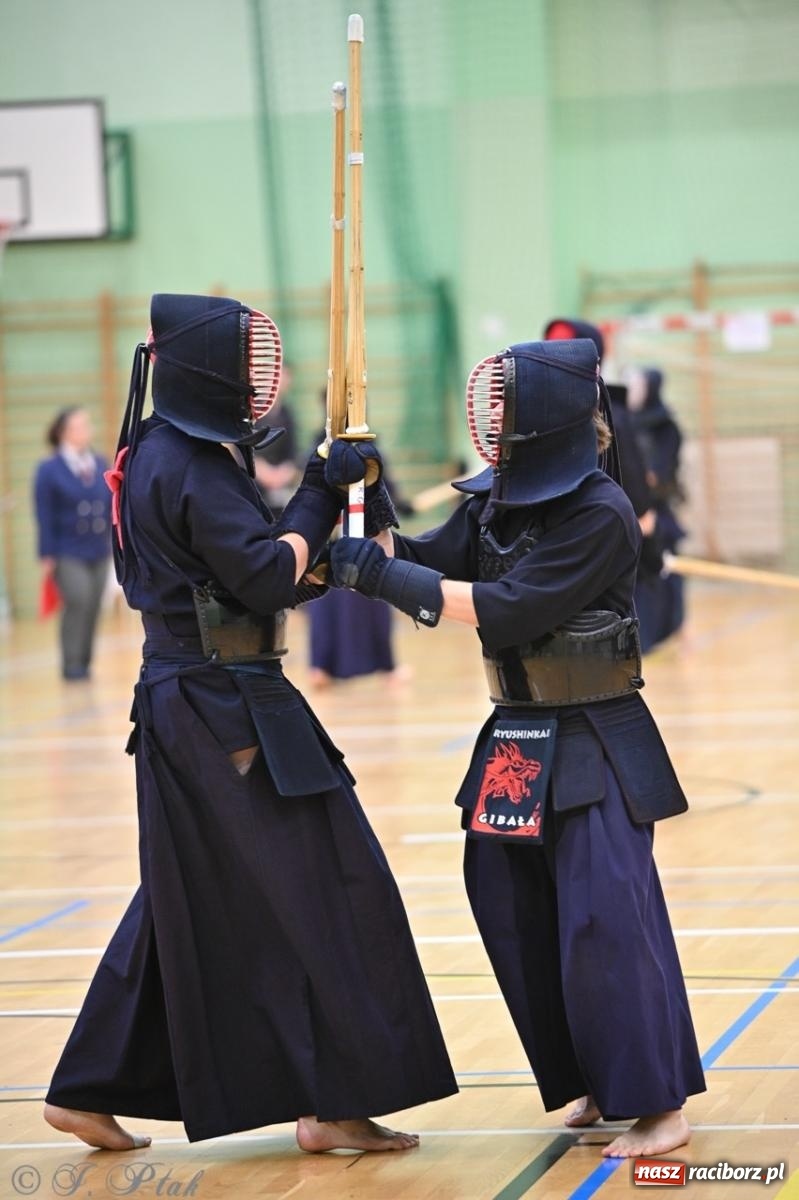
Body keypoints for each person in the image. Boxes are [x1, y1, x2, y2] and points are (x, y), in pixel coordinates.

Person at [43, 294, 457, 1154]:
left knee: (187, 889)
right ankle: (337, 1103)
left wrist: (330, 520)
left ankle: (89, 1085)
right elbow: (267, 575)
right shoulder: (188, 463)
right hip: (223, 703)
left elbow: (250, 574)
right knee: (335, 882)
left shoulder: (155, 450)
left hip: (196, 696)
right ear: (210, 372)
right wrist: (317, 488)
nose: (257, 380)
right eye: (245, 365)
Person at [329, 337, 706, 1159]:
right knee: (509, 903)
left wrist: (379, 577)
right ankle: (591, 1077)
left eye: (505, 400)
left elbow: (505, 607)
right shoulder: (495, 501)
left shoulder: (600, 511)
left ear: (550, 412)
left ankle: (658, 1104)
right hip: (518, 735)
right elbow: (419, 562)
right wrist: (369, 493)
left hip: (594, 734)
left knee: (605, 919)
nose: (491, 413)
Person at [33, 407, 112, 680]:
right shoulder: (49, 469)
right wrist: (46, 554)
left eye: (87, 425)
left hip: (98, 547)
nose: (86, 431)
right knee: (78, 598)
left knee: (93, 604)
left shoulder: (99, 463)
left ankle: (85, 663)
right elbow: (44, 514)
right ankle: (71, 664)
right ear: (63, 432)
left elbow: (109, 505)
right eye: (80, 426)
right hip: (67, 549)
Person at [626, 366, 687, 650]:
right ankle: (642, 638)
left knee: (668, 573)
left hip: (657, 512)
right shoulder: (625, 422)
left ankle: (681, 631)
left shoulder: (666, 427)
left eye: (639, 386)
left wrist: (640, 483)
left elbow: (658, 474)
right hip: (632, 512)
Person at [252, 362, 299, 518]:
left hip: (280, 482)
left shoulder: (288, 413)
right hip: (254, 479)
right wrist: (261, 471)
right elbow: (241, 448)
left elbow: (292, 452)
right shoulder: (253, 411)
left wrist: (285, 472)